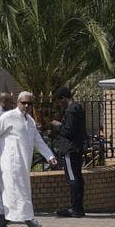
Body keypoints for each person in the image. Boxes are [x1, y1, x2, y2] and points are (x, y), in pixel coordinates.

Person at [0, 91, 58, 227]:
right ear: (17, 102)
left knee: (10, 196)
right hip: (10, 165)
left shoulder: (29, 121)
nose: (26, 106)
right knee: (19, 195)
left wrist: (50, 156)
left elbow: (39, 141)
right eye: (23, 102)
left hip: (23, 166)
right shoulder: (7, 117)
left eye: (29, 103)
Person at [51, 87, 87, 217]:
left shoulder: (71, 110)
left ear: (64, 98)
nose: (59, 104)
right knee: (77, 177)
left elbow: (68, 131)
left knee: (72, 178)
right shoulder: (78, 108)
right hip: (76, 148)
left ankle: (75, 208)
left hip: (70, 149)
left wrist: (58, 125)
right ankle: (78, 207)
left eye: (60, 101)